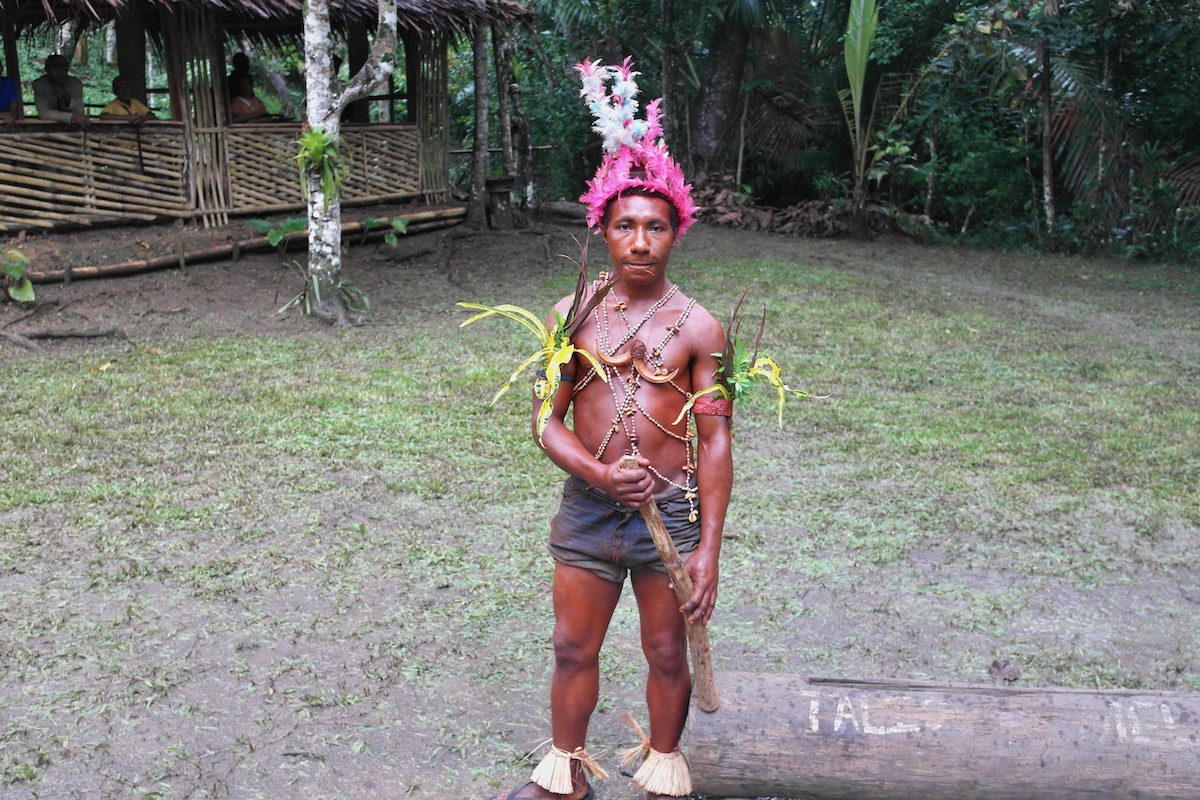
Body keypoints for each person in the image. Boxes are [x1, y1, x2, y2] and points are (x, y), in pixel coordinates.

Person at [491, 57, 731, 800]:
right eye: (624, 225)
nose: (638, 240)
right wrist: (596, 474)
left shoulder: (698, 327)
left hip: (674, 517)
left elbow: (717, 438)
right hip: (590, 511)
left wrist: (711, 550)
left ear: (675, 233)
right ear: (602, 226)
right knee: (571, 645)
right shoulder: (576, 313)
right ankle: (564, 775)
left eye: (654, 226)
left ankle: (664, 768)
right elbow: (546, 419)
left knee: (666, 648)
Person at [32, 54, 88, 126]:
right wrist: (71, 117)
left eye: (63, 69)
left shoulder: (75, 84)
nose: (60, 73)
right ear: (47, 70)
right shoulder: (40, 85)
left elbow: (80, 112)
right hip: (47, 127)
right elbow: (44, 113)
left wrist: (68, 98)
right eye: (56, 70)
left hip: (73, 126)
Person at [0, 57, 22, 124]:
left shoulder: (9, 83)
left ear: (1, 69)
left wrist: (7, 116)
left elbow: (14, 111)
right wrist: (2, 115)